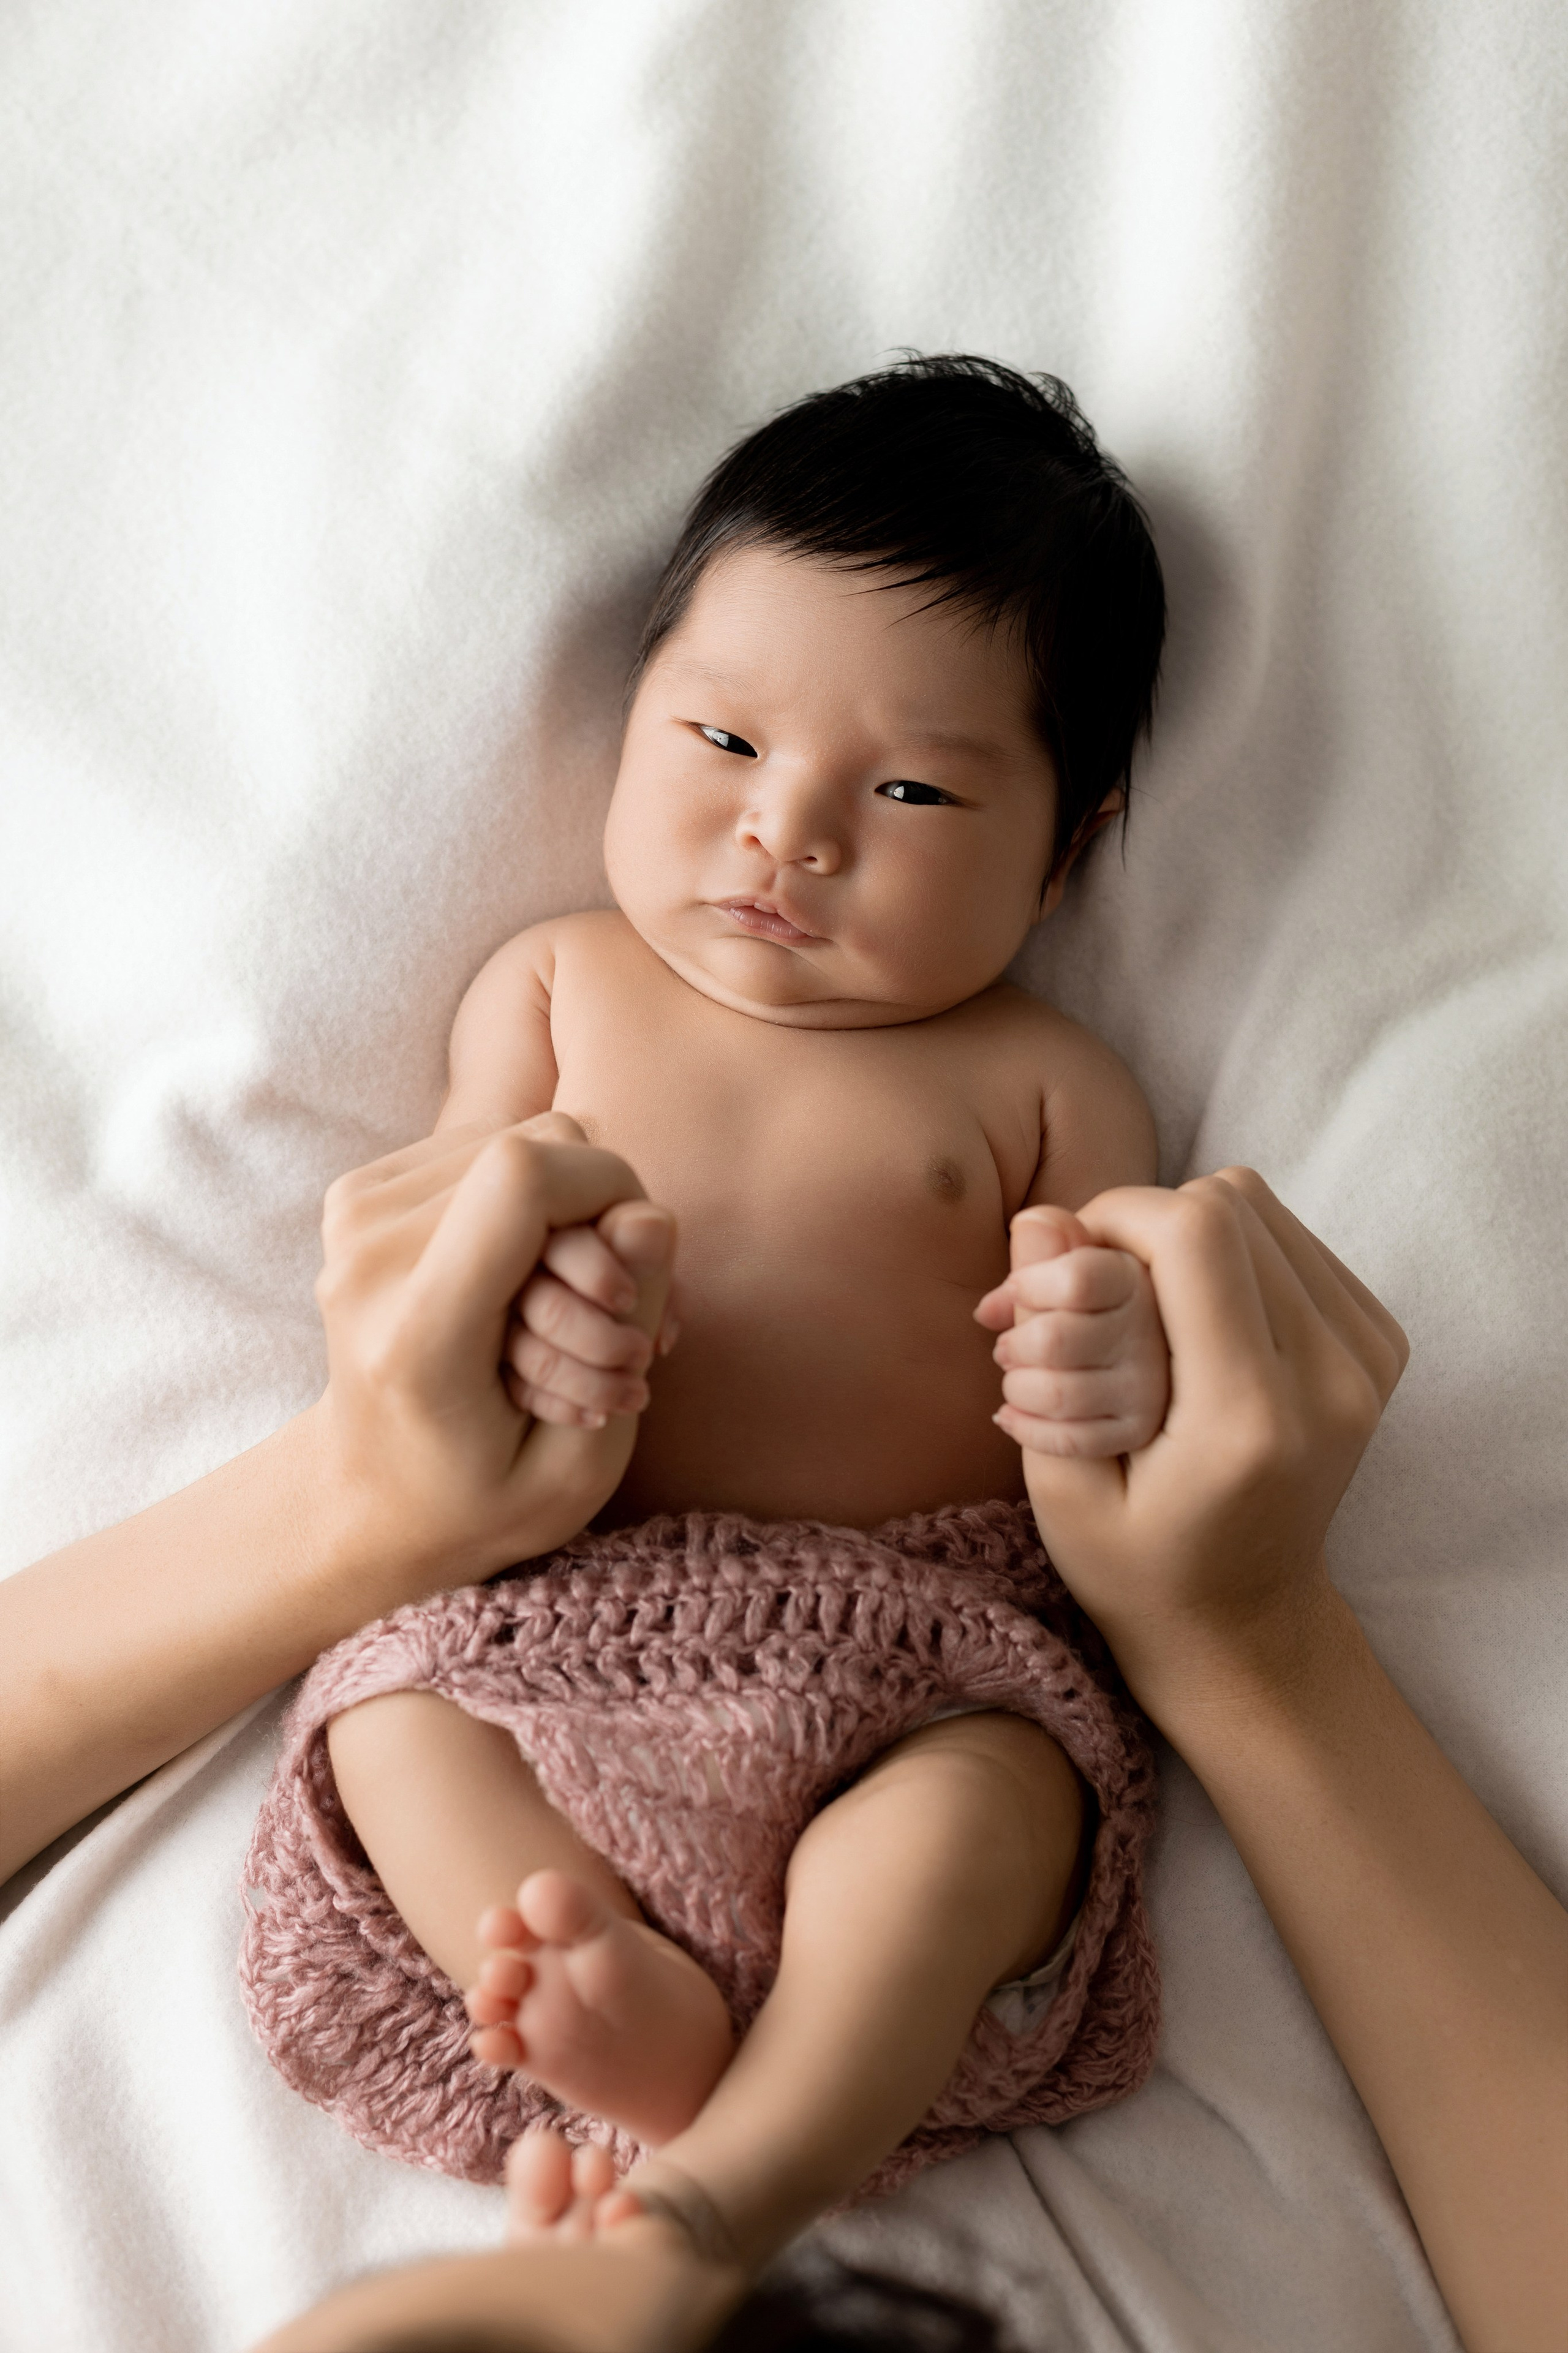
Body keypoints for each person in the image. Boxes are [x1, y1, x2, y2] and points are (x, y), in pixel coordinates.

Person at [241, 358, 1175, 2207]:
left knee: (990, 1807)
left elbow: (1126, 1392)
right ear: (634, 712)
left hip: (915, 1645)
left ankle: (732, 2169)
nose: (790, 830)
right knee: (388, 1713)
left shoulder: (1046, 1084)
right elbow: (444, 1235)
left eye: (908, 788)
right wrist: (508, 1291)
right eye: (726, 743)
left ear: (1066, 851)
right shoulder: (554, 983)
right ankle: (599, 1975)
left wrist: (1117, 1361)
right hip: (548, 1621)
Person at [235, 1168, 1567, 2353]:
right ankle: (733, 2150)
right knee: (968, 1806)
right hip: (843, 1652)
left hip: (751, 1643)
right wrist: (1252, 1641)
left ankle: (616, 2016)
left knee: (394, 1714)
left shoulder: (1028, 1069)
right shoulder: (557, 986)